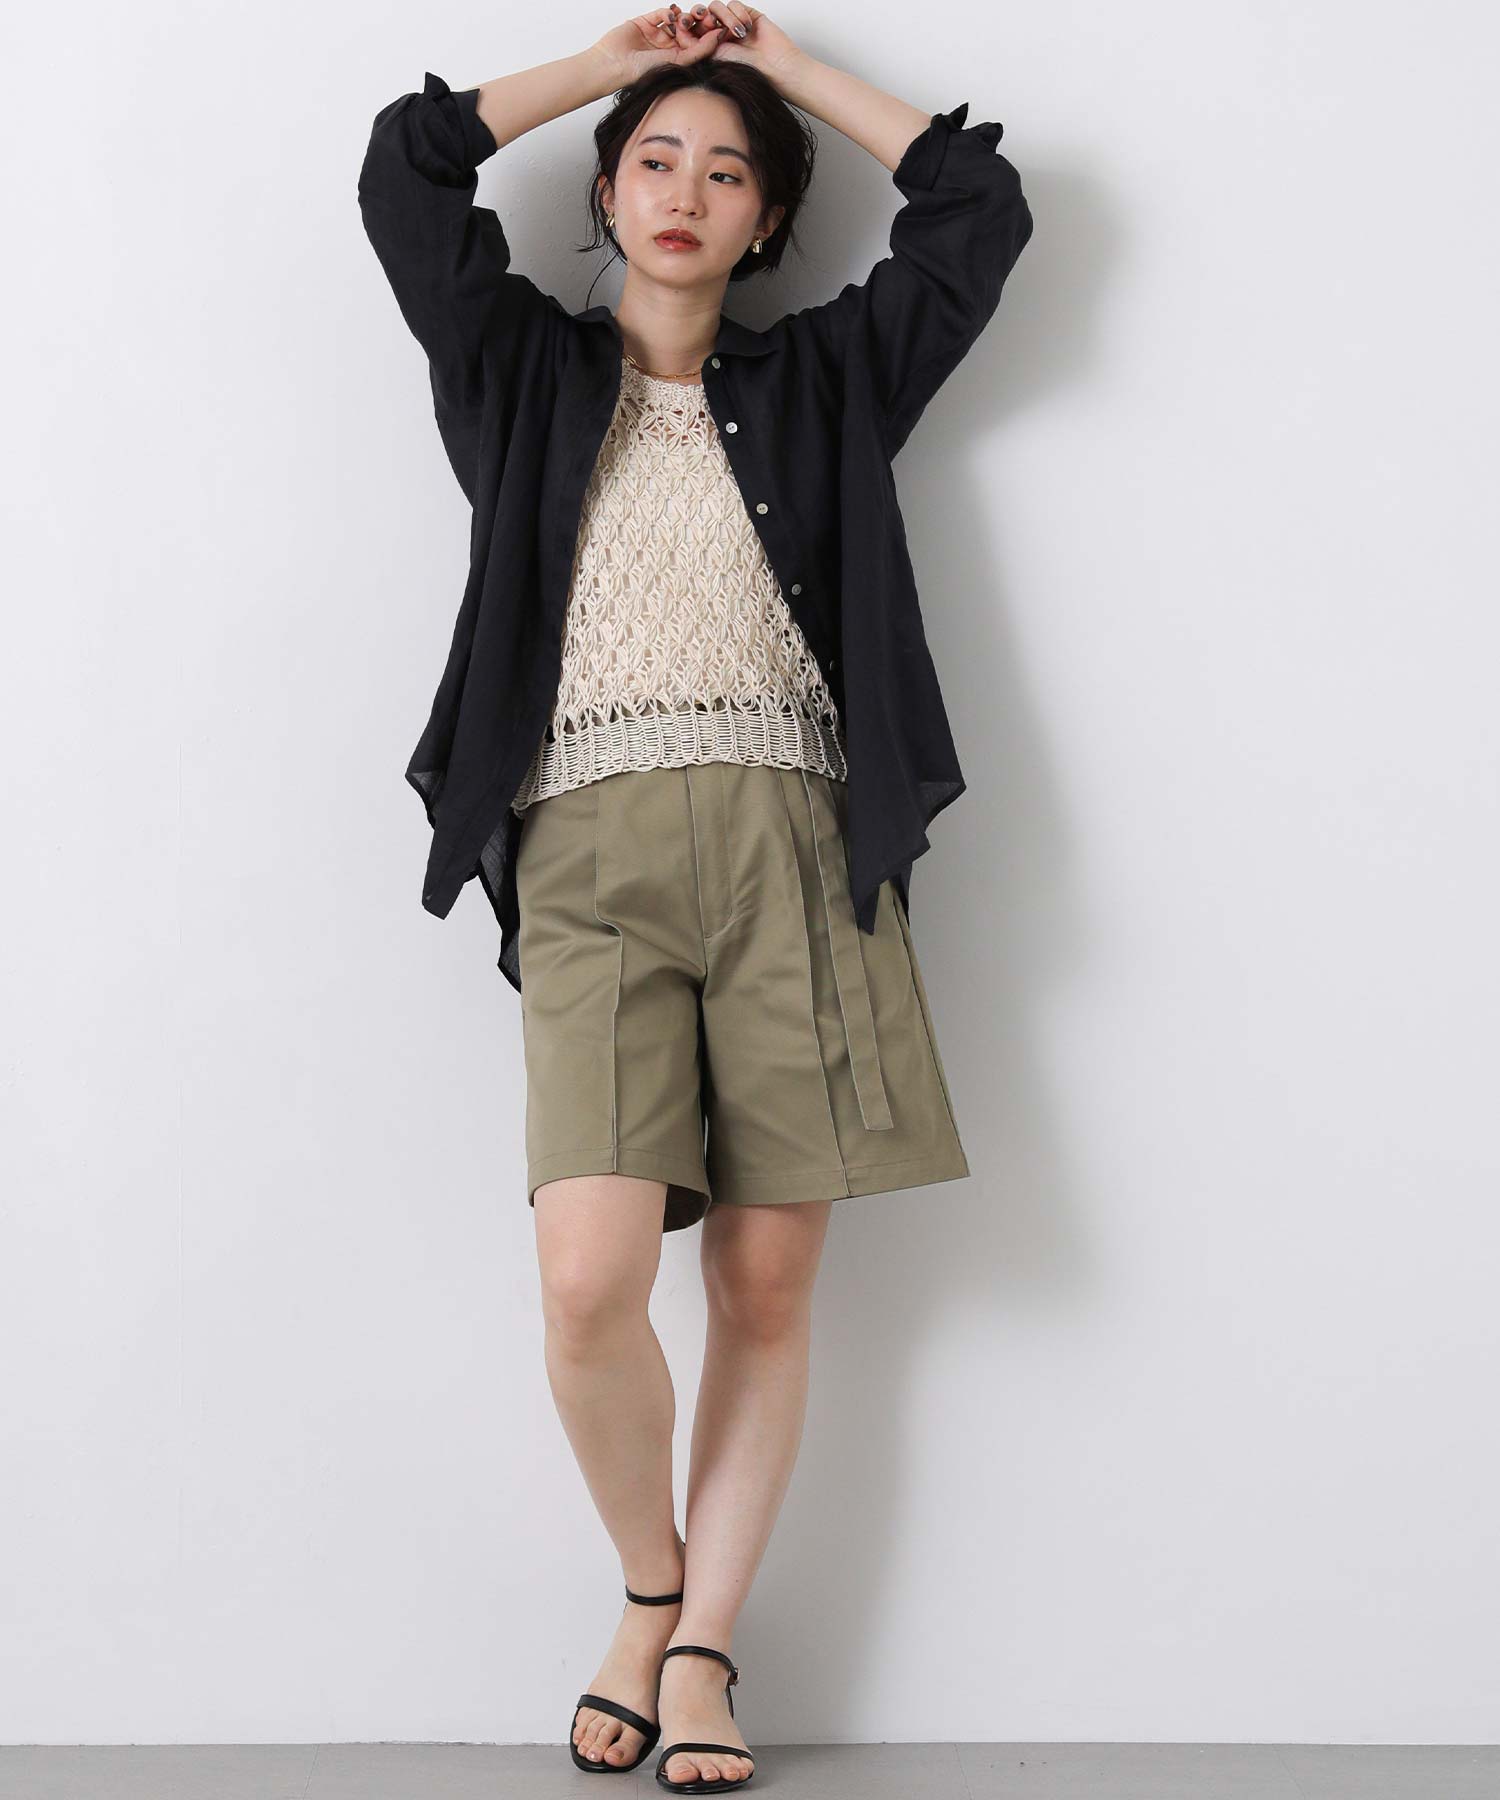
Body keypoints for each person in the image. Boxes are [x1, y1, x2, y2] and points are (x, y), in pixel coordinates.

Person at [359, 6, 1032, 1791]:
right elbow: (407, 171)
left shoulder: (828, 378)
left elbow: (978, 211)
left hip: (798, 849)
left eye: (727, 174)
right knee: (589, 1280)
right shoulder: (516, 367)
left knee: (763, 1279)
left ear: (766, 219)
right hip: (585, 857)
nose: (684, 191)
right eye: (655, 161)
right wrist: (619, 64)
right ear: (606, 190)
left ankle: (708, 1650)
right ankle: (650, 1589)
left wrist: (780, 70)